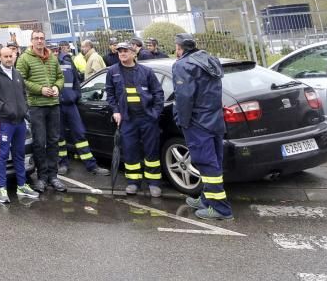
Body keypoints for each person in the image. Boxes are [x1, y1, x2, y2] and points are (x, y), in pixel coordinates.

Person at [172, 33, 232, 220]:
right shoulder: (209, 60)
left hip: (197, 122)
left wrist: (182, 121)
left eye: (176, 47)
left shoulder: (183, 65)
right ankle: (207, 199)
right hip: (214, 120)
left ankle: (221, 209)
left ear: (180, 48)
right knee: (213, 161)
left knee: (206, 164)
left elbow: (184, 98)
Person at [105, 42, 165, 197]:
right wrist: (116, 111)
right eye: (120, 52)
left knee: (151, 152)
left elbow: (158, 93)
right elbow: (110, 95)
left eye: (125, 51)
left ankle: (154, 183)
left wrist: (155, 113)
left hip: (147, 118)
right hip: (127, 119)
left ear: (133, 54)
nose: (122, 54)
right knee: (130, 150)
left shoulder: (146, 71)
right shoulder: (112, 71)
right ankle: (133, 182)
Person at [0, 43, 40, 203]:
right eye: (6, 56)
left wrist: (24, 109)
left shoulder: (17, 74)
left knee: (19, 154)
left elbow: (23, 93)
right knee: (1, 155)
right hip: (5, 122)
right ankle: (2, 188)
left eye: (11, 56)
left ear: (15, 56)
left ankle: (22, 186)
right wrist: (3, 107)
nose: (9, 59)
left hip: (20, 122)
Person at [17, 31, 66, 193]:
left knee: (53, 140)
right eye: (36, 38)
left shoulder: (52, 57)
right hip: (36, 105)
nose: (39, 41)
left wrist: (57, 87)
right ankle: (42, 177)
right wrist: (40, 89)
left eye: (42, 38)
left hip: (53, 104)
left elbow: (60, 76)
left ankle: (53, 176)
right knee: (39, 142)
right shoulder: (24, 58)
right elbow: (20, 80)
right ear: (31, 41)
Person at [57, 48, 110, 177]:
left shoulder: (68, 61)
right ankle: (63, 164)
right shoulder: (46, 63)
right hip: (56, 106)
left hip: (71, 105)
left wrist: (75, 95)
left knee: (80, 135)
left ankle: (91, 166)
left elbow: (76, 81)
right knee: (60, 137)